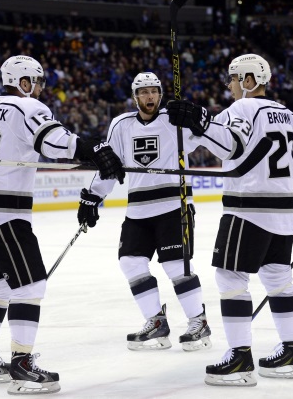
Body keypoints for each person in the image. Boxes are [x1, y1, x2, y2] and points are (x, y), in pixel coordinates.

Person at [0, 55, 125, 395]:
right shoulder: (27, 108)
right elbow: (54, 142)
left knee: (0, 287)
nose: (40, 88)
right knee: (30, 286)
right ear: (24, 81)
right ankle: (21, 365)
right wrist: (95, 148)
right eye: (38, 81)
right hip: (4, 213)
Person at [166, 54, 293, 386]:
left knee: (230, 278)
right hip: (284, 210)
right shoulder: (288, 114)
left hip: (249, 207)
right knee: (278, 277)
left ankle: (240, 358)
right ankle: (292, 352)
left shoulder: (241, 109)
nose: (230, 86)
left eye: (233, 80)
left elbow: (231, 147)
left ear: (248, 80)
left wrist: (202, 124)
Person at [77, 72, 222, 352]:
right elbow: (111, 167)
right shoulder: (121, 125)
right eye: (143, 92)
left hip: (173, 206)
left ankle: (198, 321)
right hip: (138, 210)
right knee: (130, 262)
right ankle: (156, 322)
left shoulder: (174, 120)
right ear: (135, 97)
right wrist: (92, 197)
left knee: (175, 266)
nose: (150, 97)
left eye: (154, 91)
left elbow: (210, 135)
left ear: (161, 93)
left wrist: (199, 116)